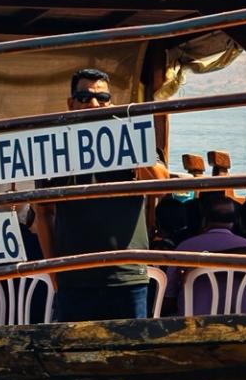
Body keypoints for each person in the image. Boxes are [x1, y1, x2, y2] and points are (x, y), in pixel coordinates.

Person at [30, 67, 160, 321]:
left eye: (102, 98)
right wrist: (55, 274)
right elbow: (42, 214)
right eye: (84, 97)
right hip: (73, 280)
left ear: (111, 102)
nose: (93, 104)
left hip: (126, 278)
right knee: (71, 356)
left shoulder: (132, 141)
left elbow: (161, 183)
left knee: (131, 355)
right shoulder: (55, 148)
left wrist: (127, 136)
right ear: (71, 103)